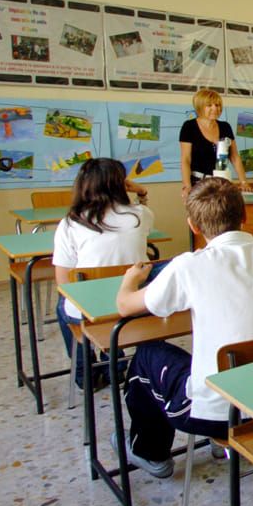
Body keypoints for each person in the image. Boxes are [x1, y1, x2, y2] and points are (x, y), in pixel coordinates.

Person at [115, 177, 253, 478]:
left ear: (193, 226)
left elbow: (125, 306)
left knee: (147, 355)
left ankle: (149, 452)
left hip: (217, 416)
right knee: (228, 350)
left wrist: (129, 280)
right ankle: (222, 446)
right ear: (244, 215)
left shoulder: (189, 266)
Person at [53, 158, 153, 389]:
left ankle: (84, 372)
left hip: (93, 311)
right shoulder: (140, 215)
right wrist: (141, 191)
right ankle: (115, 367)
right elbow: (142, 207)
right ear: (121, 185)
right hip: (135, 305)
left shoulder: (70, 224)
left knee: (63, 305)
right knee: (114, 299)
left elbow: (64, 282)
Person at [178, 88, 251, 198]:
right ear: (200, 107)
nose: (215, 109)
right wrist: (187, 186)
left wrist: (243, 182)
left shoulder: (225, 127)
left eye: (217, 105)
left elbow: (234, 157)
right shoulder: (189, 127)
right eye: (209, 105)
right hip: (198, 183)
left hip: (221, 182)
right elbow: (186, 159)